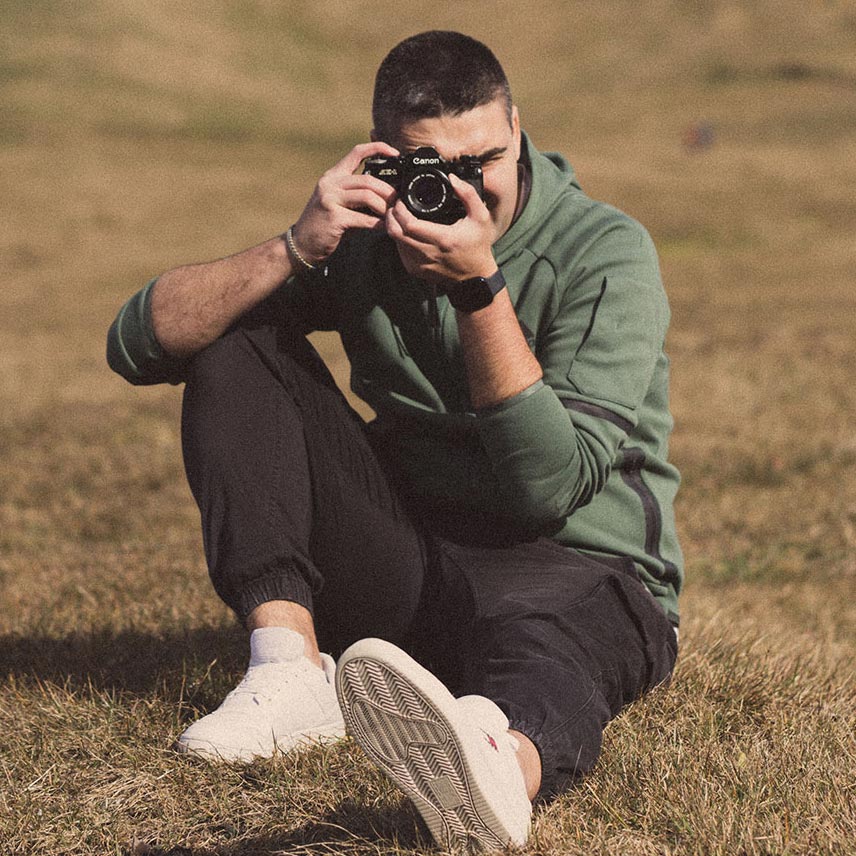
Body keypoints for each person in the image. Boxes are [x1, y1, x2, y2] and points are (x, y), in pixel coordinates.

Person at [107, 30, 682, 852]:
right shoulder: (367, 240)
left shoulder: (605, 252)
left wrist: (480, 289)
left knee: (550, 647)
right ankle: (289, 669)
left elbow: (547, 491)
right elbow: (137, 345)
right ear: (384, 157)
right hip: (413, 560)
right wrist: (294, 247)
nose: (464, 188)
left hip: (578, 563)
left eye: (484, 159)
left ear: (518, 129)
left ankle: (494, 762)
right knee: (236, 340)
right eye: (432, 168)